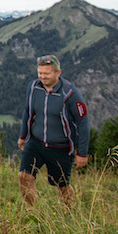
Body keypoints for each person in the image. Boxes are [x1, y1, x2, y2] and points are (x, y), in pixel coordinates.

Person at [18, 55, 90, 208]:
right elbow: (28, 111)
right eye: (40, 73)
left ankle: (68, 211)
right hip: (36, 143)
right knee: (24, 176)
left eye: (47, 73)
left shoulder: (70, 93)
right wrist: (23, 136)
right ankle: (34, 212)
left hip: (61, 148)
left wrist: (82, 153)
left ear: (58, 72)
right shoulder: (33, 87)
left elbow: (83, 122)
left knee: (61, 185)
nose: (42, 77)